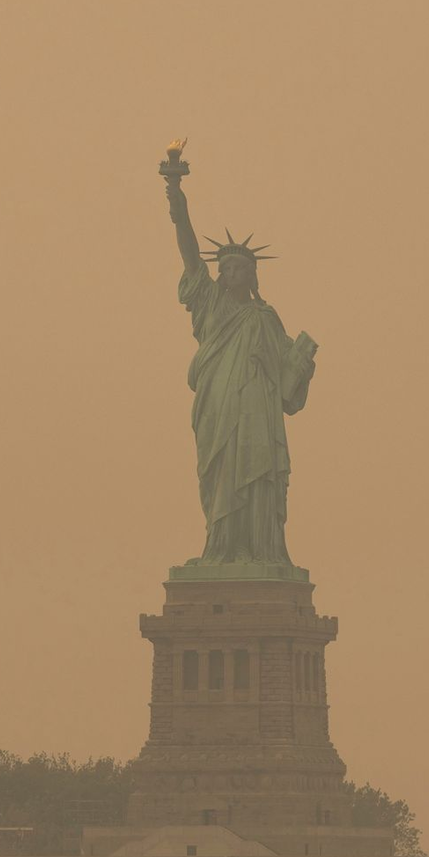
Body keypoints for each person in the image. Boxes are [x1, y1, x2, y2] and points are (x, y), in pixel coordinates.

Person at [163, 172, 318, 565]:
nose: (231, 273)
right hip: (218, 405)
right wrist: (179, 207)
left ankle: (258, 548)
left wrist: (302, 361)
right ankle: (222, 546)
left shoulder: (265, 318)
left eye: (240, 269)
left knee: (255, 471)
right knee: (220, 474)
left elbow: (288, 375)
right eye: (226, 268)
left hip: (256, 413)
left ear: (252, 275)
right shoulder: (210, 305)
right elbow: (189, 253)